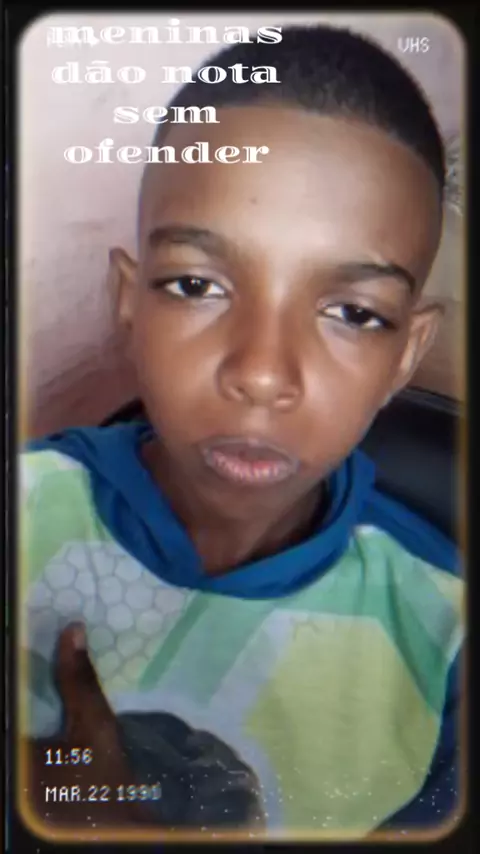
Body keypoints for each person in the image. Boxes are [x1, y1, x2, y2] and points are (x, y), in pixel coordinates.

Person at [19, 23, 463, 840]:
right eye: (197, 285)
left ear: (407, 352)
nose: (261, 373)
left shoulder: (444, 645)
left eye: (353, 312)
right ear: (128, 301)